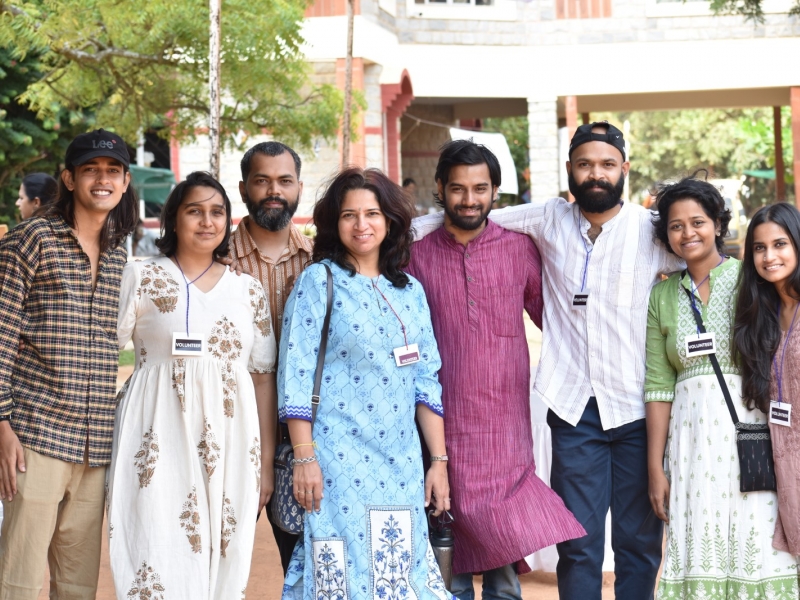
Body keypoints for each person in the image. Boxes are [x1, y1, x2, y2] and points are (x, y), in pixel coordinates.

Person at [412, 121, 681, 599]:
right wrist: (393, 227)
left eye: (607, 164)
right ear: (569, 169)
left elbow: (699, 260)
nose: (595, 174)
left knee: (639, 543)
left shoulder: (652, 230)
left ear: (624, 168)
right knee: (577, 545)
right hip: (574, 410)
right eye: (585, 164)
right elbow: (477, 215)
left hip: (638, 408)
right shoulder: (548, 219)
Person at [406, 139, 585, 600]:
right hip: (439, 420)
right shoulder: (416, 255)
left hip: (505, 426)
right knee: (448, 532)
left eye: (480, 189)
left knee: (502, 540)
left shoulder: (519, 249)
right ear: (440, 188)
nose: (469, 200)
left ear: (495, 191)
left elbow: (557, 320)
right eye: (458, 189)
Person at [279, 167, 454, 600]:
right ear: (334, 223)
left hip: (400, 464)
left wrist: (438, 462)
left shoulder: (410, 291)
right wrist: (304, 457)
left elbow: (425, 381)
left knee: (401, 577)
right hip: (335, 462)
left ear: (390, 221)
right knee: (343, 578)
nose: (362, 225)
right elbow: (295, 376)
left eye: (372, 213)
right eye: (349, 215)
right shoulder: (319, 281)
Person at [107, 171, 277, 599]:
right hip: (156, 436)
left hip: (232, 440)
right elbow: (104, 352)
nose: (207, 221)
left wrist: (266, 462)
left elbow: (262, 376)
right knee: (156, 544)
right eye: (194, 211)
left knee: (225, 555)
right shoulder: (142, 276)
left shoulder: (247, 290)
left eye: (217, 212)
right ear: (173, 219)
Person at [645, 178, 799, 599]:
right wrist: (656, 466)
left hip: (753, 438)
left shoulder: (751, 278)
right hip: (690, 444)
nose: (687, 233)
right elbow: (658, 386)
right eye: (676, 226)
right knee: (701, 549)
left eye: (697, 221)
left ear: (717, 223)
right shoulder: (662, 295)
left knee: (761, 548)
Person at [0, 129, 138, 598]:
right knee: (17, 580)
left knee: (78, 587)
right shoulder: (32, 239)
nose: (103, 180)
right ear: (69, 178)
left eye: (113, 171)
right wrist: (2, 426)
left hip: (95, 446)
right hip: (35, 436)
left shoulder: (120, 255)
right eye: (90, 170)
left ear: (125, 182)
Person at [230, 140, 314, 573]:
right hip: (232, 430)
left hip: (308, 438)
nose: (274, 191)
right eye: (262, 181)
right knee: (221, 559)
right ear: (244, 188)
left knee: (304, 562)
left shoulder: (322, 261)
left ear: (299, 187)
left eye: (284, 181)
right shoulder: (215, 259)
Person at [736, 202, 800, 560]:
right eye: (759, 247)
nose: (769, 256)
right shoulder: (762, 315)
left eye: (780, 244)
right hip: (786, 465)